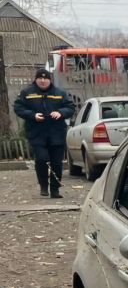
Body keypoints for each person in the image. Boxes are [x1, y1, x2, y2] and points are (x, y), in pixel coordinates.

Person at [12, 68, 75, 198]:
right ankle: (43, 185)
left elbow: (70, 107)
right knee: (42, 159)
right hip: (37, 133)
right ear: (36, 79)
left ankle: (55, 189)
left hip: (56, 133)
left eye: (45, 78)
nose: (42, 80)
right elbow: (18, 108)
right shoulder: (27, 92)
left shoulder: (60, 92)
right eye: (40, 78)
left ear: (49, 79)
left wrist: (61, 113)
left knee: (57, 163)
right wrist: (32, 115)